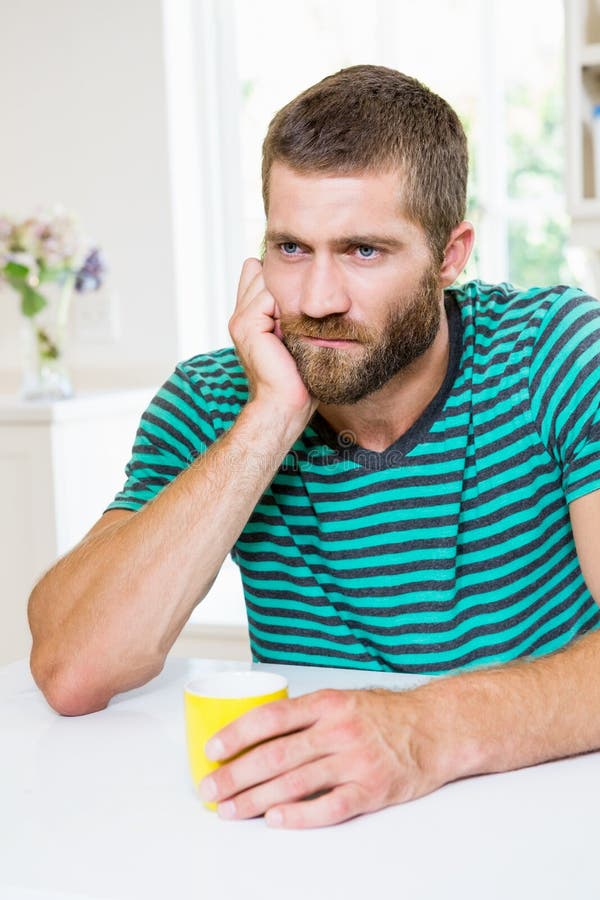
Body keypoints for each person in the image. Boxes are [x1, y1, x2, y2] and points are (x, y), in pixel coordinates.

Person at [28, 65, 600, 829]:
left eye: (363, 250)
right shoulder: (215, 400)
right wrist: (271, 415)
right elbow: (72, 668)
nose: (317, 300)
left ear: (451, 253)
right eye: (291, 249)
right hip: (312, 832)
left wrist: (421, 731)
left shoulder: (558, 355)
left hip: (541, 813)